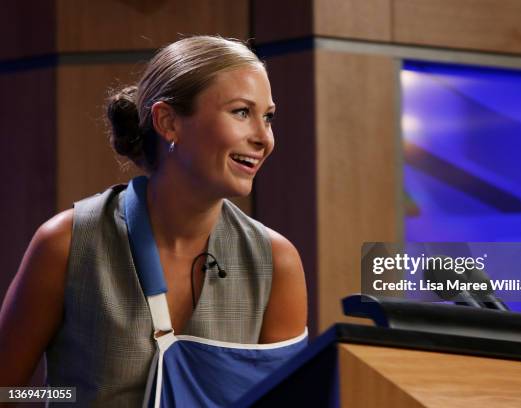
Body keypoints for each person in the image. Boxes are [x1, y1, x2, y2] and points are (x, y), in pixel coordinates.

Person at [0, 35, 307, 405]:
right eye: (242, 112)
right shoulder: (65, 243)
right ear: (167, 122)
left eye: (268, 117)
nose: (264, 138)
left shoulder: (276, 262)